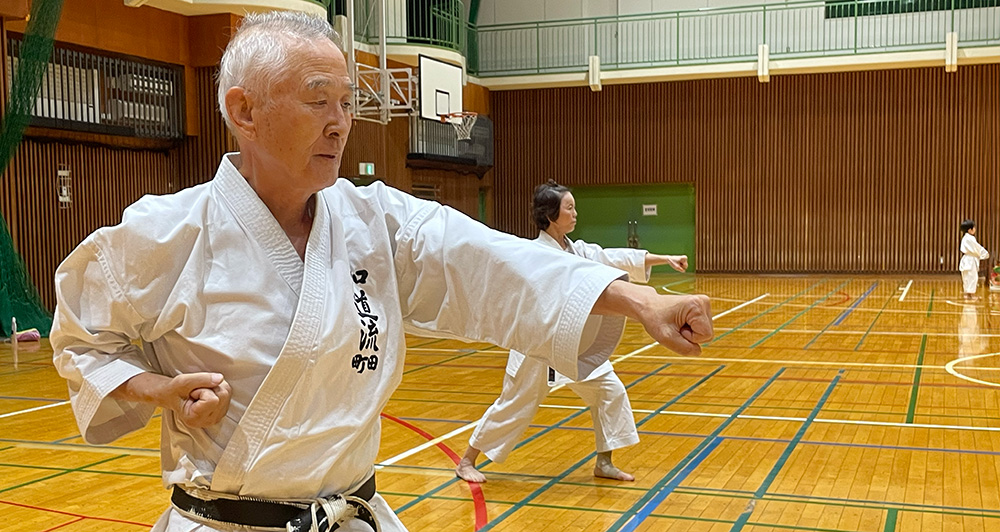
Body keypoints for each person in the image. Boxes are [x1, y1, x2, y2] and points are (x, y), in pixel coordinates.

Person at [50, 11, 713, 532]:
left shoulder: (377, 222)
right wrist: (158, 390)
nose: (340, 124)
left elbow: (495, 262)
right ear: (244, 111)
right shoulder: (164, 234)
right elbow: (82, 342)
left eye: (346, 103)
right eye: (318, 101)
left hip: (352, 515)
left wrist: (636, 299)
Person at [455, 181, 688, 484]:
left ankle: (604, 462)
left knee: (609, 391)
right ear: (550, 215)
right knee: (514, 405)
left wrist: (664, 258)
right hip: (537, 347)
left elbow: (614, 257)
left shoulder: (578, 250)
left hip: (573, 343)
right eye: (569, 208)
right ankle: (466, 461)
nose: (575, 213)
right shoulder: (532, 254)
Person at [959, 219, 989, 301]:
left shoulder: (965, 238)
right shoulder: (970, 238)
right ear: (970, 229)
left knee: (967, 277)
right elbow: (977, 248)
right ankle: (971, 295)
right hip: (970, 260)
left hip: (967, 259)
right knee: (972, 277)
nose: (975, 229)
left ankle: (967, 294)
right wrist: (985, 254)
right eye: (974, 228)